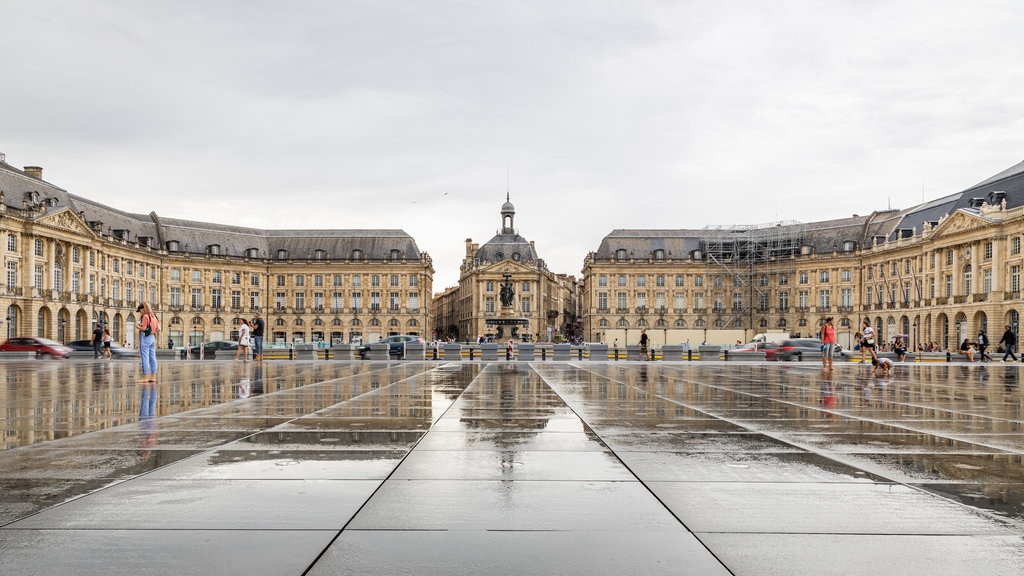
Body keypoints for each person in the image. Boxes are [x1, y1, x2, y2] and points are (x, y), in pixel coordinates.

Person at [136, 302, 160, 383]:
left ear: (143, 309)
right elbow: (158, 329)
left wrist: (137, 326)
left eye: (140, 310)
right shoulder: (154, 317)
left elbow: (143, 328)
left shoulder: (145, 316)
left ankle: (145, 377)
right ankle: (153, 377)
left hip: (146, 337)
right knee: (153, 357)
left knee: (145, 357)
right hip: (153, 338)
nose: (140, 312)